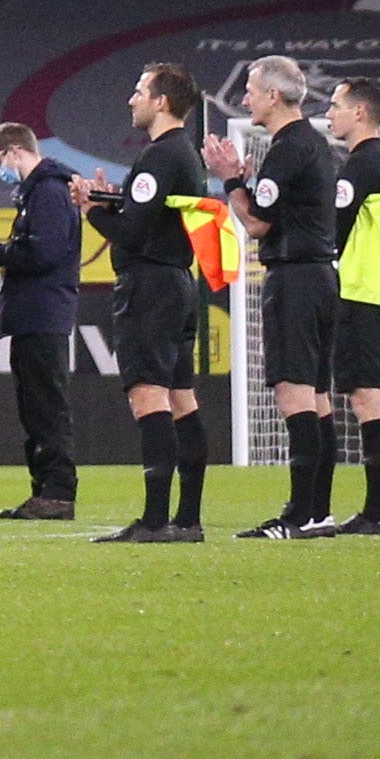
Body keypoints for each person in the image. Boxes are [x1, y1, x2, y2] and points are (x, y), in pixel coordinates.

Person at [83, 62, 215, 544]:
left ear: (161, 102)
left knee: (149, 395)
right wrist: (112, 201)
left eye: (139, 91)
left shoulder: (160, 156)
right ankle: (188, 518)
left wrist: (93, 210)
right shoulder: (186, 154)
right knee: (181, 398)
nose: (131, 99)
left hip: (150, 287)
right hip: (178, 283)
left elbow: (133, 235)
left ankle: (156, 519)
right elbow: (148, 217)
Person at [227, 54, 345, 539]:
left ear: (273, 96)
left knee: (295, 390)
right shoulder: (312, 145)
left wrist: (231, 180)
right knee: (316, 397)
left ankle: (302, 514)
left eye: (252, 90)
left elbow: (256, 224)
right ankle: (319, 512)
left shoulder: (288, 148)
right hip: (319, 277)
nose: (246, 98)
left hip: (295, 278)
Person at [301, 77, 380, 539]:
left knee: (367, 399)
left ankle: (377, 513)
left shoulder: (361, 166)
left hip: (361, 294)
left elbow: (333, 230)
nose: (329, 113)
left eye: (337, 105)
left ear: (360, 112)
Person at [0, 121, 84, 520]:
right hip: (36, 312)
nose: (0, 169)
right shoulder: (42, 192)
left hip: (43, 311)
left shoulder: (49, 191)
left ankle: (56, 492)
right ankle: (45, 491)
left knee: (46, 405)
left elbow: (46, 253)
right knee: (36, 406)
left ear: (15, 151)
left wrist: (0, 252)